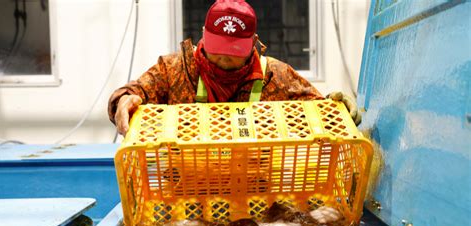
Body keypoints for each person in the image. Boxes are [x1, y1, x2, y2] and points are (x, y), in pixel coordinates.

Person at [108, 0, 361, 136]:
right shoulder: (174, 70)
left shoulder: (276, 76)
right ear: (203, 36)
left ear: (253, 43)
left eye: (233, 52)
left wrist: (337, 107)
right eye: (217, 48)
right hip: (186, 188)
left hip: (258, 191)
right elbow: (135, 91)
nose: (224, 59)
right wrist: (123, 100)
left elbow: (317, 112)